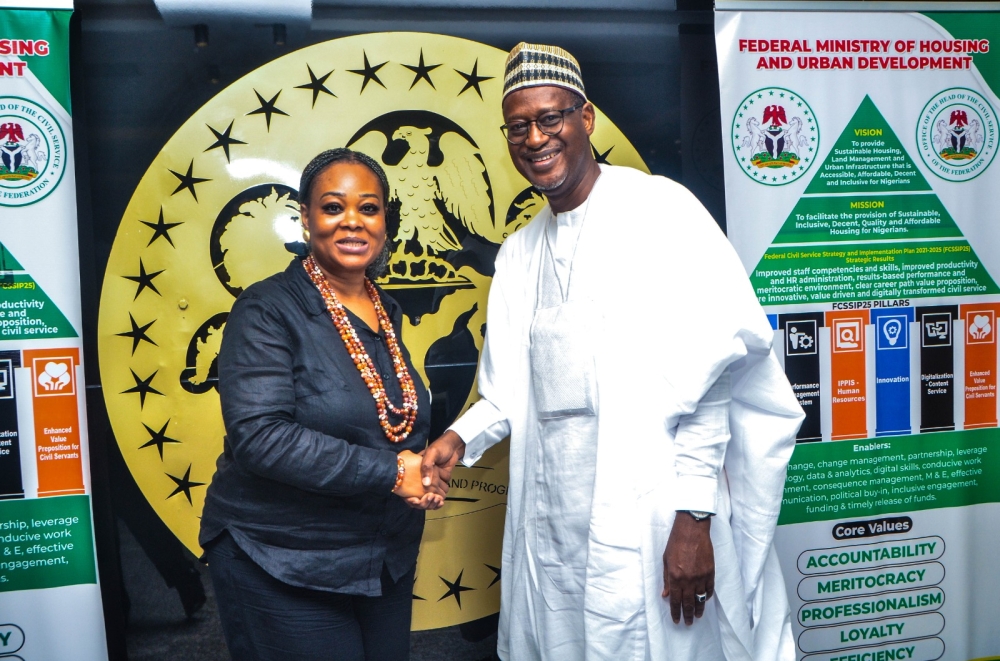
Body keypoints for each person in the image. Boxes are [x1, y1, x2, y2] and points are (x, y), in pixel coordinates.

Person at [420, 43, 806, 661]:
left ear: (586, 118)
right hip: (554, 529)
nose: (536, 138)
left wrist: (694, 520)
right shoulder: (519, 253)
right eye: (519, 126)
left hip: (652, 520)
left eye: (552, 118)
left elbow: (711, 380)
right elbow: (509, 392)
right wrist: (459, 440)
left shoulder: (661, 212)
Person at [199, 148, 442, 661]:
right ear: (306, 220)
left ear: (384, 222)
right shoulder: (265, 309)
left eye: (369, 208)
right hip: (281, 559)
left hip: (378, 560)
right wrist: (394, 473)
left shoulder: (384, 307)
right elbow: (260, 438)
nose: (352, 221)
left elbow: (383, 420)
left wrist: (425, 466)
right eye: (333, 207)